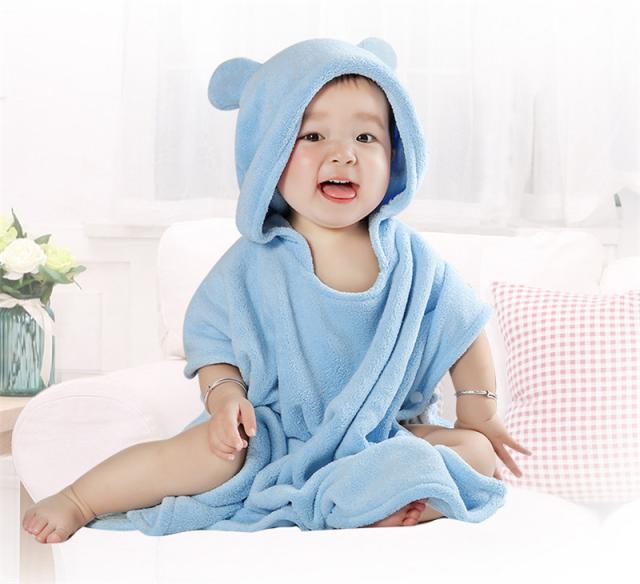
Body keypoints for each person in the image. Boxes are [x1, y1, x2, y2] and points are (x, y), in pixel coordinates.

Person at [22, 38, 531, 544]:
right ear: (269, 153)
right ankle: (81, 498)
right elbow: (215, 346)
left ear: (396, 155)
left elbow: (463, 328)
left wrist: (479, 412)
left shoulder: (410, 259)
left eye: (365, 137)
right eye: (313, 136)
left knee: (476, 454)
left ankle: (381, 498)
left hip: (381, 436)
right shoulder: (255, 260)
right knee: (205, 455)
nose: (343, 154)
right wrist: (225, 399)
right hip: (273, 432)